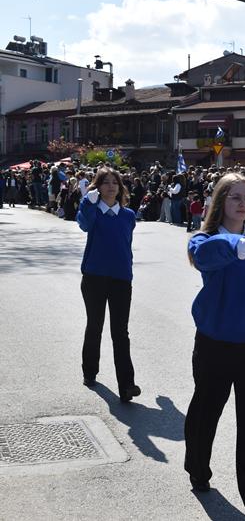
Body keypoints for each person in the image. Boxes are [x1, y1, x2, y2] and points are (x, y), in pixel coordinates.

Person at [184, 173, 245, 521]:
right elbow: (202, 256)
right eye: (235, 197)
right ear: (221, 202)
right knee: (207, 411)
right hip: (216, 343)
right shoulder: (205, 240)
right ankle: (198, 467)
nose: (242, 204)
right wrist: (232, 246)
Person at [76, 167, 140, 403]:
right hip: (94, 277)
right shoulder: (92, 211)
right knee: (95, 326)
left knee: (120, 332)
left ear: (120, 187)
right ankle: (89, 371)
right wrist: (87, 201)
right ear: (98, 187)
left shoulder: (128, 215)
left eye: (115, 182)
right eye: (106, 182)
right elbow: (84, 224)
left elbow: (125, 245)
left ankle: (127, 385)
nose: (111, 186)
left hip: (121, 278)